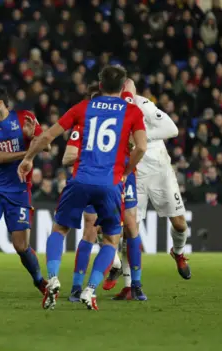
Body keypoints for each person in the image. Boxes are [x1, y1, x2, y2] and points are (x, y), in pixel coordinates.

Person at [18, 65, 147, 310]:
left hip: (80, 180)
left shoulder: (83, 107)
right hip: (110, 184)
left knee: (60, 229)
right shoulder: (131, 111)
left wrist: (28, 159)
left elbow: (46, 137)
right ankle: (90, 289)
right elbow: (140, 147)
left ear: (99, 86)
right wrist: (125, 173)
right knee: (111, 240)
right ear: (122, 89)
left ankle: (54, 277)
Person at [107, 79, 192, 300]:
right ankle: (129, 285)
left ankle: (179, 252)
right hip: (135, 174)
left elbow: (171, 129)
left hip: (160, 170)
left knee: (180, 224)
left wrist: (140, 137)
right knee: (130, 229)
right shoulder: (110, 111)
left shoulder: (142, 104)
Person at [62, 83, 145, 302]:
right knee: (90, 227)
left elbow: (130, 87)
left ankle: (135, 284)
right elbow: (68, 155)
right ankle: (77, 287)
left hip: (122, 174)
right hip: (93, 175)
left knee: (130, 224)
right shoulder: (83, 123)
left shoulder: (124, 108)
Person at [0, 86, 48, 300]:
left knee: (21, 246)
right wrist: (29, 151)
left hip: (20, 191)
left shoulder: (26, 117)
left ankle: (39, 281)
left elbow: (48, 146)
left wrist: (32, 137)